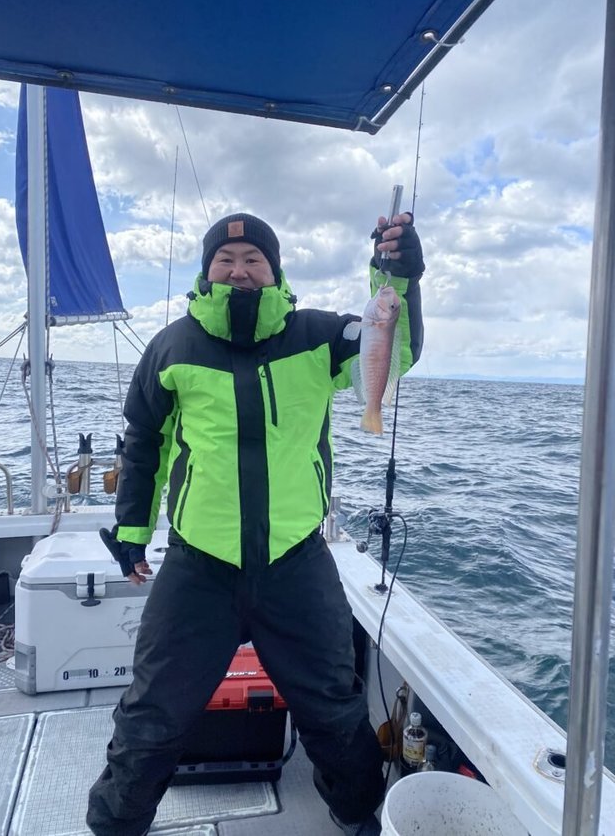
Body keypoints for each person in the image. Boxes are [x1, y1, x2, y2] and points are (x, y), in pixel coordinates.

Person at [87, 210, 424, 836]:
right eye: (226, 260)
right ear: (207, 270)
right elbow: (144, 445)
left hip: (296, 562)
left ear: (275, 270)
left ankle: (358, 819)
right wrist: (131, 533)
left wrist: (400, 279)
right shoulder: (171, 347)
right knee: (152, 716)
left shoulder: (321, 335)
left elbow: (393, 352)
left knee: (334, 709)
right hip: (198, 566)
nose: (239, 270)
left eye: (253, 260)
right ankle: (115, 826)